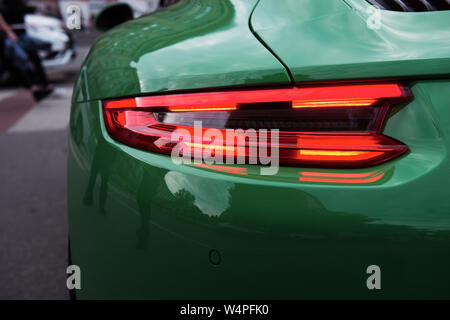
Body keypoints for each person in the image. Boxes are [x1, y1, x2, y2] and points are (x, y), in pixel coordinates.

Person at [0, 0, 53, 100]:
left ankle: (42, 85)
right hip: (15, 38)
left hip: (21, 35)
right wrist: (9, 33)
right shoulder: (8, 6)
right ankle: (36, 87)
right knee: (23, 62)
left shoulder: (15, 5)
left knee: (32, 60)